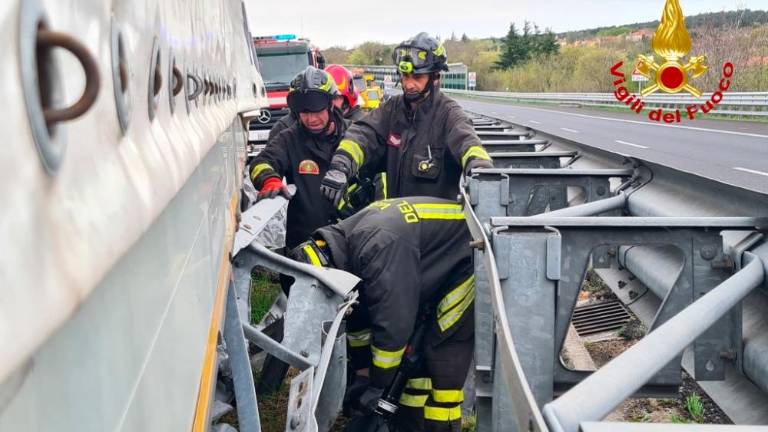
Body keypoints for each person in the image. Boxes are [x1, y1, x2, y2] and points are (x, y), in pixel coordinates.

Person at [292, 197, 475, 432]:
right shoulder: (343, 246)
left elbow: (394, 328)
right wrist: (362, 373)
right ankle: (405, 423)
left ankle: (441, 425)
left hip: (469, 253)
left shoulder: (377, 246)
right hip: (432, 255)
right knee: (411, 357)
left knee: (438, 350)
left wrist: (378, 386)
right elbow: (359, 318)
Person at [320, 32, 493, 207]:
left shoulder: (449, 115)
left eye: (417, 77)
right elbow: (363, 135)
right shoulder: (392, 109)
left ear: (435, 78)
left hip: (437, 231)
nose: (409, 84)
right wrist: (340, 167)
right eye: (405, 76)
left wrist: (482, 174)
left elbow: (469, 145)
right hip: (400, 226)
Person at [249, 66, 346, 252]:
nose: (311, 119)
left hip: (350, 237)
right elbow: (262, 162)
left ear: (331, 105)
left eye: (317, 111)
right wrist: (269, 179)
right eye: (304, 112)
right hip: (304, 241)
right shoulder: (289, 138)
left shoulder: (354, 136)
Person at [268, 64, 365, 141]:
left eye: (336, 98)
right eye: (318, 100)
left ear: (346, 101)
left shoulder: (358, 127)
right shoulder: (285, 128)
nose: (312, 118)